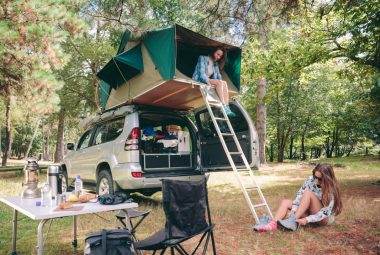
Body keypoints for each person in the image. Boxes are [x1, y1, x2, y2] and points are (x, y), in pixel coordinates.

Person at [256, 163, 342, 232]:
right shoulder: (310, 180)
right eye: (315, 177)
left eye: (320, 179)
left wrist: (307, 219)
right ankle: (273, 223)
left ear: (327, 178)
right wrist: (293, 211)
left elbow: (324, 213)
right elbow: (300, 195)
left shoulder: (331, 190)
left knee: (308, 193)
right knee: (286, 203)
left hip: (323, 218)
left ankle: (292, 220)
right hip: (309, 211)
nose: (316, 181)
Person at [192, 48, 235, 117]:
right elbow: (201, 73)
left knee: (224, 83)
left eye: (220, 56)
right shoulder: (202, 58)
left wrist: (220, 83)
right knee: (220, 83)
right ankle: (224, 106)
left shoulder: (215, 64)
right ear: (213, 51)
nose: (218, 57)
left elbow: (218, 76)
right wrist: (208, 81)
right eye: (217, 54)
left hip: (208, 80)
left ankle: (227, 107)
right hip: (198, 79)